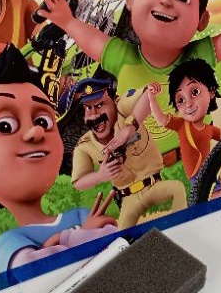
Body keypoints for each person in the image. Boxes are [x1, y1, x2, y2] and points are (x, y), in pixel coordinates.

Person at [39, 0, 221, 160]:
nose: (165, 1)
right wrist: (67, 21)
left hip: (193, 162)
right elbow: (93, 41)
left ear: (201, 20)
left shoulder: (195, 57)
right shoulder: (124, 57)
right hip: (138, 166)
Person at [0, 46, 117, 277]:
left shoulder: (80, 215)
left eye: (43, 121)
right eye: (5, 125)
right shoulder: (9, 242)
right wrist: (74, 236)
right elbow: (37, 271)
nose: (37, 131)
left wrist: (60, 240)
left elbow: (116, 242)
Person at [70, 78, 186, 228]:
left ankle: (182, 229)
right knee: (123, 234)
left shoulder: (123, 109)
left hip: (153, 186)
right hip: (128, 198)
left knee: (177, 189)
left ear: (113, 101)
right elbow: (78, 182)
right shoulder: (84, 145)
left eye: (99, 105)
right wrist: (99, 176)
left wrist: (130, 128)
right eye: (88, 108)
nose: (94, 115)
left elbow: (148, 94)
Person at [145, 58, 221, 180]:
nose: (188, 104)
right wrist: (152, 98)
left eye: (195, 92)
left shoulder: (209, 129)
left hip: (211, 173)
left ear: (211, 92)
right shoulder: (182, 125)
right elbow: (161, 119)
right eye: (180, 100)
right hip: (196, 178)